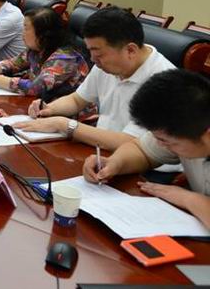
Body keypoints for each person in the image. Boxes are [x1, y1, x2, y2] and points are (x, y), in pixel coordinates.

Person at [14, 7, 176, 150]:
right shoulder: (106, 64)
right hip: (100, 150)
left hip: (144, 167)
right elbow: (77, 100)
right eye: (90, 51)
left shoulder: (164, 82)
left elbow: (131, 142)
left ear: (130, 50)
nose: (92, 60)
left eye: (98, 54)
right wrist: (49, 109)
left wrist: (64, 125)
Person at [82, 69, 210, 228]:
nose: (161, 145)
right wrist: (115, 163)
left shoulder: (190, 127)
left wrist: (189, 199)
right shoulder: (186, 126)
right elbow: (142, 150)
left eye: (165, 141)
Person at [0, 7, 89, 98]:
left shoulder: (65, 58)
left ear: (43, 34)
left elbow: (35, 88)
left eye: (26, 28)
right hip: (41, 107)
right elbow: (13, 63)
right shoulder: (37, 49)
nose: (22, 32)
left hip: (70, 117)